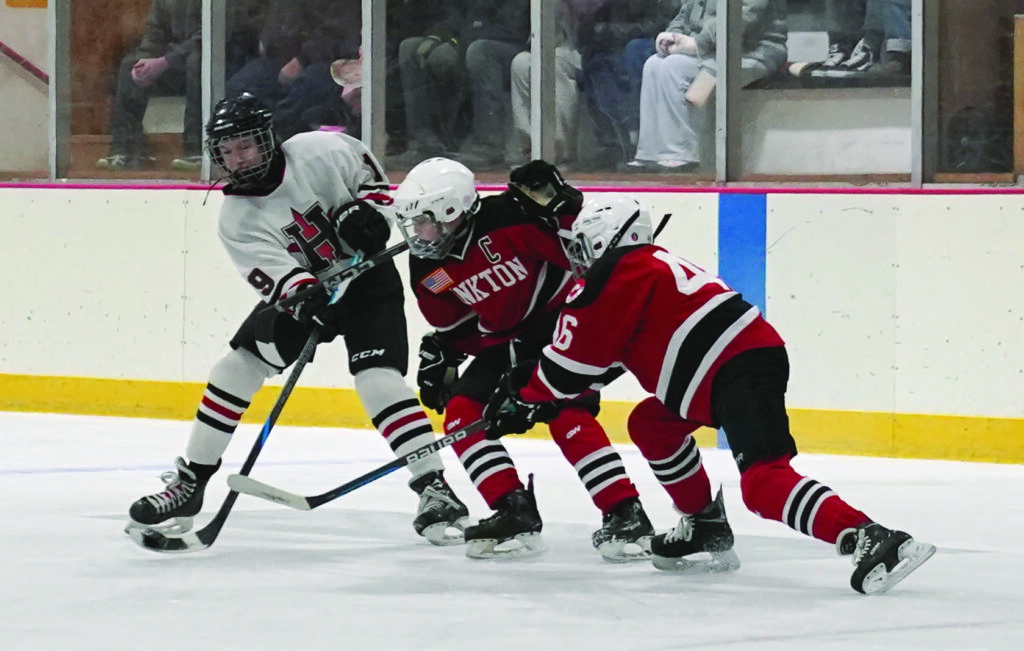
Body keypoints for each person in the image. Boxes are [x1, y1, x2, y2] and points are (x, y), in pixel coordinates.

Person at [485, 194, 936, 594]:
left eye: (582, 247)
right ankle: (705, 525)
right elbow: (604, 361)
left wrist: (525, 394)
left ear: (605, 240)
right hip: (727, 367)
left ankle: (870, 535)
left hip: (730, 370)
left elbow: (568, 368)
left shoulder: (617, 273)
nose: (578, 259)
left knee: (763, 485)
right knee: (651, 424)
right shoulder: (648, 268)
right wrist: (540, 395)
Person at [125, 93, 469, 547]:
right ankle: (191, 483)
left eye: (245, 145)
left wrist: (367, 216)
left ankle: (434, 488)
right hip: (314, 293)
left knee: (377, 381)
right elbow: (285, 283)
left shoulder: (322, 151)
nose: (237, 158)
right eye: (227, 151)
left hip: (369, 282)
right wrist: (307, 302)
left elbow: (385, 197)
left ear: (268, 138)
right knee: (235, 368)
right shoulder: (236, 219)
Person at [390, 158, 654, 561]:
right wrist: (447, 347)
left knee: (565, 409)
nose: (418, 234)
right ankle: (513, 509)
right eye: (412, 224)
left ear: (451, 210)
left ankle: (625, 512)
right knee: (462, 414)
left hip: (560, 324)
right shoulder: (429, 264)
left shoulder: (511, 220)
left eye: (424, 221)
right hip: (505, 342)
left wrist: (565, 209)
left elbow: (590, 260)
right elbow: (455, 320)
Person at [625, 0, 787, 173]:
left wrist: (698, 43)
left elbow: (741, 16)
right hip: (708, 50)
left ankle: (680, 154)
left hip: (751, 52)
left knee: (674, 67)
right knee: (653, 64)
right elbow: (684, 13)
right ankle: (649, 153)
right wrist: (671, 36)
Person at [225, 0, 362, 142]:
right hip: (279, 58)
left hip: (328, 61)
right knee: (236, 89)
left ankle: (286, 148)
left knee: (295, 106)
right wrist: (266, 39)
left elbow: (338, 33)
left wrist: (302, 60)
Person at [95, 0, 203, 172]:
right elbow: (155, 36)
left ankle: (196, 149)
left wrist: (165, 62)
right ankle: (127, 149)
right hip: (175, 62)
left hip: (218, 61)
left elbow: (210, 37)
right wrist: (146, 61)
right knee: (130, 65)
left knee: (197, 62)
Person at [576, 0, 679, 169]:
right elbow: (590, 29)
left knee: (633, 52)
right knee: (594, 58)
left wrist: (612, 31)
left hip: (653, 43)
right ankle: (613, 141)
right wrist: (595, 28)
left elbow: (660, 22)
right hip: (618, 45)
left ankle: (636, 135)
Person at [386, 1, 469, 169]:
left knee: (442, 58)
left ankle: (453, 139)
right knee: (408, 47)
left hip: (470, 38)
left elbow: (463, 14)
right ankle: (422, 141)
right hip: (436, 34)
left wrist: (441, 36)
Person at [508, 0, 584, 167]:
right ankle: (532, 148)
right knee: (520, 63)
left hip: (582, 48)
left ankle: (559, 153)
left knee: (553, 65)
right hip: (538, 43)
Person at [456, 0, 531, 169]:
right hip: (469, 39)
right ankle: (426, 142)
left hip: (514, 48)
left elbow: (516, 30)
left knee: (479, 52)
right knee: (413, 49)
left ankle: (489, 145)